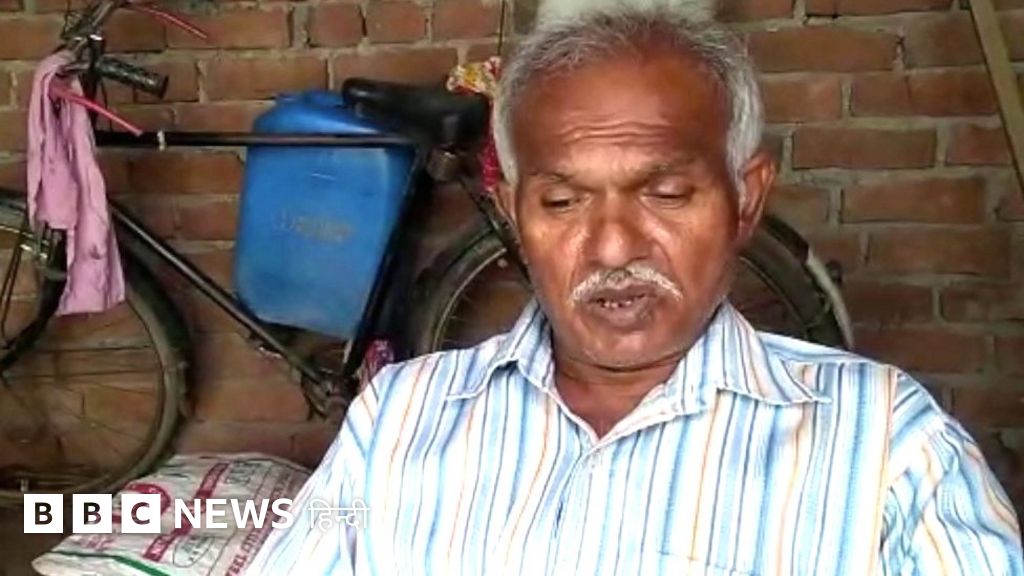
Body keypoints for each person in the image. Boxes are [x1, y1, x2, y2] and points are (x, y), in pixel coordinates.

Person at [247, 6, 1023, 575]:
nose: (613, 246)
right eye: (562, 202)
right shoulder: (397, 418)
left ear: (746, 199)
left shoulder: (888, 445)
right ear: (513, 213)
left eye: (666, 193)